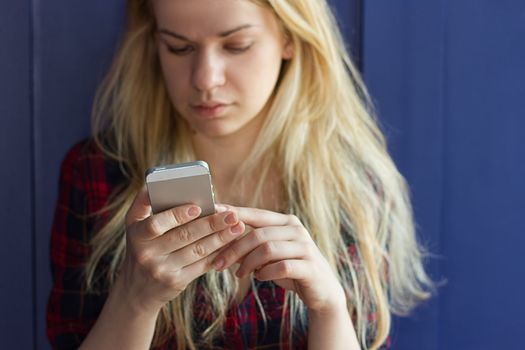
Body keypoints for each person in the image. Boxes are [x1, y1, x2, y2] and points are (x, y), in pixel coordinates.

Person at [46, 0, 433, 349]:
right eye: (179, 47)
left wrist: (329, 307)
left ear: (290, 38)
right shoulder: (98, 174)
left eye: (236, 45)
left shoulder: (352, 185)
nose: (205, 79)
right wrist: (134, 300)